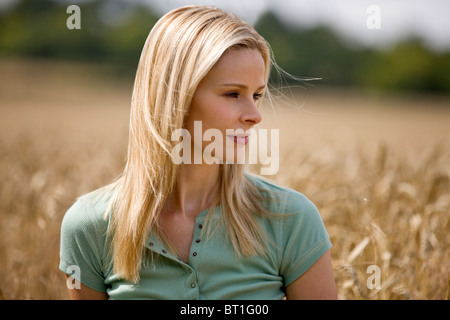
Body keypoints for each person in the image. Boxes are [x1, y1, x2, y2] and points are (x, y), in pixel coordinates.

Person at [59, 5, 337, 300]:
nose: (255, 115)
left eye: (257, 96)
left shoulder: (291, 219)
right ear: (175, 97)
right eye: (233, 94)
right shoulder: (88, 226)